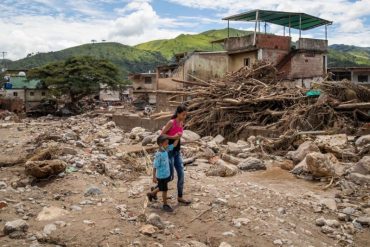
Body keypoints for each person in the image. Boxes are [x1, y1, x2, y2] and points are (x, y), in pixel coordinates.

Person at [161, 105, 191, 205]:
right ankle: (156, 190)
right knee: (169, 176)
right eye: (183, 114)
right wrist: (173, 137)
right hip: (169, 152)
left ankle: (180, 197)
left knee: (181, 174)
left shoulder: (181, 123)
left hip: (177, 152)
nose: (185, 116)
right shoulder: (171, 122)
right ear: (178, 113)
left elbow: (179, 135)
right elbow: (161, 136)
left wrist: (178, 137)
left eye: (186, 114)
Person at [147, 135, 179, 212]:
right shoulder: (158, 155)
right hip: (161, 176)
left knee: (161, 187)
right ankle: (164, 204)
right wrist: (154, 177)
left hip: (166, 174)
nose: (168, 145)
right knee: (164, 190)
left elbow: (174, 145)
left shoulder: (166, 149)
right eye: (166, 143)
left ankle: (153, 192)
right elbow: (155, 167)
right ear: (161, 144)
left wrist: (178, 138)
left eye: (168, 143)